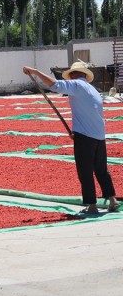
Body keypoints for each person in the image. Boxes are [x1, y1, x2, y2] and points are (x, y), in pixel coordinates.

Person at [23, 61, 120, 214]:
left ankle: (91, 205)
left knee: (85, 170)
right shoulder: (92, 89)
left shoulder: (75, 85)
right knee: (101, 170)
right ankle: (112, 200)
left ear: (74, 75)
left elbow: (54, 85)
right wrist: (77, 130)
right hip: (99, 135)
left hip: (86, 137)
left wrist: (35, 71)